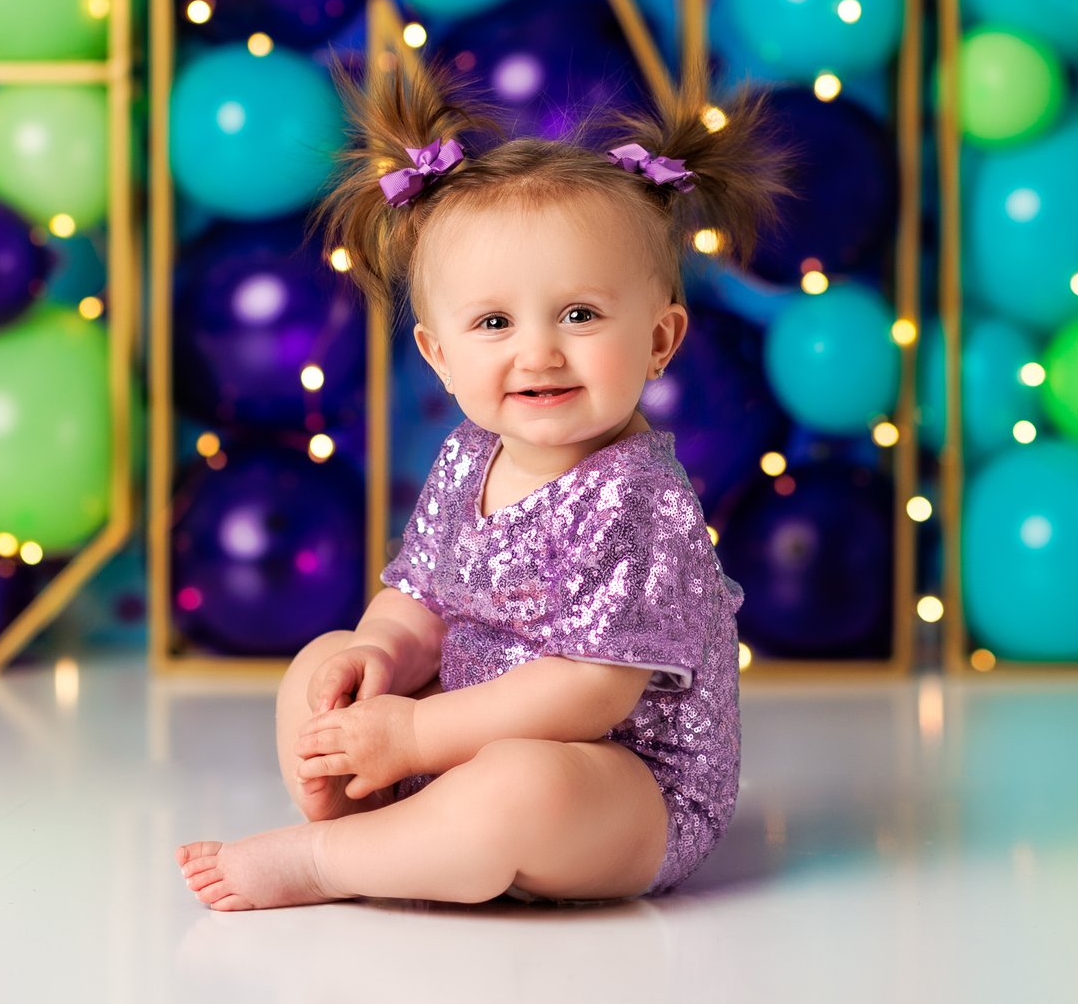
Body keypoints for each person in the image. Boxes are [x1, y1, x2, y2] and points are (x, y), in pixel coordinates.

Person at [176, 47, 793, 910]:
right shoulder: (470, 453)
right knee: (320, 661)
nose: (538, 351)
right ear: (438, 354)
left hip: (625, 786)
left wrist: (419, 729)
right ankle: (374, 818)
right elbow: (418, 596)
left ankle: (329, 860)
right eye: (494, 321)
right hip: (458, 740)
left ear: (660, 339)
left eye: (580, 314)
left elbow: (590, 691)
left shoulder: (637, 497)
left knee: (521, 786)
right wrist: (378, 654)